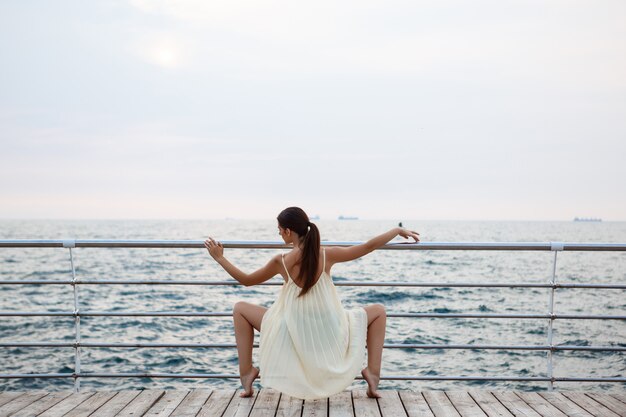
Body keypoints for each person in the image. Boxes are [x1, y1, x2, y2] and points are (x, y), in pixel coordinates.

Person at [204, 207, 419, 400]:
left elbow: (247, 280)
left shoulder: (281, 262)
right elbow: (367, 246)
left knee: (240, 308)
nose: (279, 233)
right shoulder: (326, 255)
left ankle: (247, 373)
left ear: (288, 231)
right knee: (379, 311)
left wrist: (220, 258)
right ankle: (372, 373)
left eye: (279, 229)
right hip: (332, 335)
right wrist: (396, 231)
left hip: (293, 335)